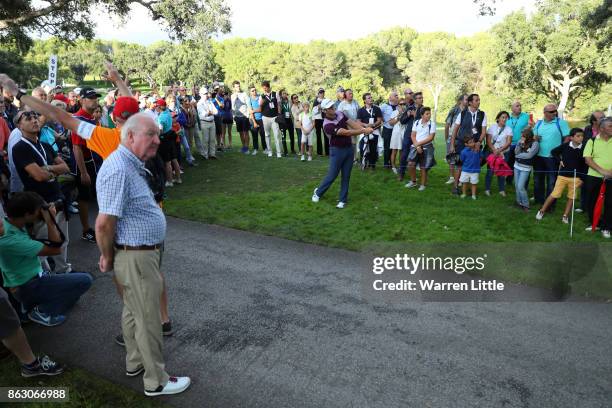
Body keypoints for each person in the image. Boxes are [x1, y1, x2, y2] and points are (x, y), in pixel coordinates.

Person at [95, 113, 190, 396]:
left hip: (139, 253)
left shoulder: (131, 163)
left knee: (134, 310)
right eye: (151, 134)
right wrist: (107, 256)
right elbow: (103, 223)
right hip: (135, 256)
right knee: (148, 318)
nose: (157, 141)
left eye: (157, 135)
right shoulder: (118, 168)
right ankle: (156, 381)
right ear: (130, 136)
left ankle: (135, 362)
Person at [0, 192, 92, 326]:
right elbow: (56, 249)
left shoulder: (10, 223)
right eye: (38, 211)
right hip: (27, 286)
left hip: (31, 278)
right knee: (85, 280)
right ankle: (40, 311)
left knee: (73, 295)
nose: (40, 213)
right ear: (27, 215)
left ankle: (30, 307)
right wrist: (50, 221)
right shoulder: (12, 240)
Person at [11, 110, 76, 274]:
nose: (34, 120)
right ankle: (43, 275)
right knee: (43, 242)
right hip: (40, 204)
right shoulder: (20, 148)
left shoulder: (45, 145)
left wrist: (47, 168)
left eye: (35, 117)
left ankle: (63, 270)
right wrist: (51, 171)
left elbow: (65, 167)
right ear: (18, 126)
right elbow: (38, 176)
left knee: (63, 239)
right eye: (27, 118)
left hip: (58, 198)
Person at [311, 100, 374, 208]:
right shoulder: (327, 125)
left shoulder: (340, 113)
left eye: (333, 106)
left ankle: (342, 200)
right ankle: (318, 193)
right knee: (332, 175)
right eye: (330, 107)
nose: (333, 108)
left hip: (349, 149)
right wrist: (364, 131)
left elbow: (352, 124)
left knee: (346, 175)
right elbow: (346, 132)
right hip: (337, 150)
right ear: (325, 111)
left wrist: (364, 129)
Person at [536, 128, 586, 224]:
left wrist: (582, 179)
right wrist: (560, 161)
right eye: (578, 136)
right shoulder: (565, 146)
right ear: (571, 137)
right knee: (554, 194)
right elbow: (553, 152)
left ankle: (565, 215)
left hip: (576, 177)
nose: (581, 138)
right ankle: (542, 210)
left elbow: (585, 165)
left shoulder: (584, 148)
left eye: (582, 136)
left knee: (571, 197)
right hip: (563, 175)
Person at [72, 87, 102, 243]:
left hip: (96, 162)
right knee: (84, 197)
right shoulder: (78, 119)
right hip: (85, 164)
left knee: (99, 195)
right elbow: (76, 147)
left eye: (96, 98)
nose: (95, 100)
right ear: (81, 100)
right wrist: (83, 172)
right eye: (91, 98)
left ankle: (102, 227)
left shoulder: (92, 118)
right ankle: (86, 230)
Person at [533, 104, 570, 206]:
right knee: (537, 180)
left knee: (551, 182)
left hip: (552, 158)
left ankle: (550, 204)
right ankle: (538, 200)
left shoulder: (561, 123)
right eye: (552, 111)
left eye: (555, 111)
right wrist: (534, 138)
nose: (554, 113)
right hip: (538, 156)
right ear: (545, 113)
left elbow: (567, 138)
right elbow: (533, 136)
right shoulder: (539, 123)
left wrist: (561, 151)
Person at [451, 93, 487, 194]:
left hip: (475, 145)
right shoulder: (462, 113)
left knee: (474, 165)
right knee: (459, 165)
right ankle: (455, 187)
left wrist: (479, 142)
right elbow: (455, 130)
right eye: (476, 100)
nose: (478, 102)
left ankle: (470, 189)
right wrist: (452, 145)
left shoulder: (482, 114)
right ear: (470, 102)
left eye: (479, 100)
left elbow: (484, 131)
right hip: (462, 144)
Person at [582, 116, 612, 238]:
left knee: (610, 203)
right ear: (601, 128)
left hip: (611, 176)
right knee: (592, 201)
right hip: (593, 176)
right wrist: (602, 171)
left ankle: (607, 227)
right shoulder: (592, 141)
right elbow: (588, 159)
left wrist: (609, 172)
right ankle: (595, 223)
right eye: (610, 126)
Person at [406, 107, 436, 191]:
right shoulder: (416, 122)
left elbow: (431, 138)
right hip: (416, 146)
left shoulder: (432, 124)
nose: (429, 115)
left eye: (429, 113)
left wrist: (418, 144)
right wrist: (417, 146)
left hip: (427, 147)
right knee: (410, 164)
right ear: (422, 115)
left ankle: (423, 185)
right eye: (427, 114)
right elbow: (413, 135)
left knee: (424, 167)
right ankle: (413, 181)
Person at [484, 111, 513, 197]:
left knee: (501, 171)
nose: (504, 119)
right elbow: (488, 141)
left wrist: (499, 151)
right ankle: (487, 189)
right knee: (490, 171)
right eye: (503, 117)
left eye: (506, 118)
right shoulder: (492, 128)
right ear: (498, 118)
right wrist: (494, 150)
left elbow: (508, 142)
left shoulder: (509, 129)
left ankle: (501, 190)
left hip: (504, 153)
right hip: (492, 152)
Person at [397, 91, 424, 181]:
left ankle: (421, 176)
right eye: (419, 98)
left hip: (419, 135)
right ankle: (401, 173)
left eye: (421, 97)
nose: (421, 99)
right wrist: (408, 115)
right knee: (404, 154)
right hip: (408, 135)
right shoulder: (410, 108)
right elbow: (402, 121)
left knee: (420, 154)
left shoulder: (424, 109)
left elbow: (424, 121)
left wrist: (415, 115)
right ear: (415, 100)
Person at [155, 99, 181, 187]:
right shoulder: (168, 112)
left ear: (160, 107)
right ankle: (178, 178)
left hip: (165, 139)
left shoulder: (161, 117)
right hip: (171, 137)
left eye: (157, 106)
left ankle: (169, 181)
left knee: (167, 162)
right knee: (174, 159)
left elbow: (161, 130)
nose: (156, 107)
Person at [513, 128, 540, 212]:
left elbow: (530, 155)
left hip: (525, 168)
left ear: (528, 136)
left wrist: (518, 156)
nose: (522, 137)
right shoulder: (520, 141)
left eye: (523, 136)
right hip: (516, 166)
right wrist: (519, 144)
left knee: (521, 187)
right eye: (521, 136)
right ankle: (519, 202)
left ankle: (526, 205)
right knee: (517, 186)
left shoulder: (535, 144)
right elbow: (516, 152)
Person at [444, 94, 467, 184]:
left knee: (461, 158)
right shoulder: (454, 110)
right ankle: (451, 177)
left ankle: (460, 178)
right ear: (460, 101)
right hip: (452, 138)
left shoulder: (468, 111)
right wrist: (447, 139)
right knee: (451, 158)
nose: (467, 101)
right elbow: (447, 125)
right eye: (466, 99)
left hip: (463, 139)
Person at [356, 93, 383, 169]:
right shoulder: (360, 110)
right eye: (368, 98)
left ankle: (372, 165)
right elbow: (358, 121)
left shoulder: (377, 109)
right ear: (364, 100)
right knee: (363, 148)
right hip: (364, 131)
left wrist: (373, 125)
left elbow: (379, 120)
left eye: (371, 97)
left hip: (374, 131)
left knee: (373, 149)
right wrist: (365, 125)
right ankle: (363, 164)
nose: (371, 99)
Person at [257, 80, 282, 158]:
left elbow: (278, 105)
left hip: (274, 117)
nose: (264, 89)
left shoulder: (275, 94)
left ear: (268, 87)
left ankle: (279, 152)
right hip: (265, 117)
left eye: (265, 88)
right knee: (267, 135)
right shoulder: (261, 96)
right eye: (263, 88)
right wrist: (261, 104)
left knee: (276, 135)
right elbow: (260, 108)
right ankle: (269, 151)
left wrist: (279, 114)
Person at [196, 87, 218, 160]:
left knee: (212, 139)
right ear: (201, 94)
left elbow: (216, 111)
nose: (207, 95)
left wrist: (209, 113)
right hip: (204, 122)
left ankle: (212, 154)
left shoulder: (210, 101)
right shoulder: (199, 103)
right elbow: (203, 114)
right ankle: (205, 154)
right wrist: (209, 113)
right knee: (205, 140)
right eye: (205, 93)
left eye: (206, 93)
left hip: (212, 122)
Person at [380, 91, 399, 169]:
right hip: (387, 129)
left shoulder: (399, 106)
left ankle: (392, 163)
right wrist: (383, 121)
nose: (397, 97)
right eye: (395, 95)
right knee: (387, 147)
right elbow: (378, 114)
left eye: (397, 95)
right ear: (390, 98)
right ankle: (386, 163)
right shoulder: (384, 106)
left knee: (393, 147)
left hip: (396, 130)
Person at [231, 81, 250, 154]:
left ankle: (247, 148)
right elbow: (232, 107)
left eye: (239, 86)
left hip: (244, 116)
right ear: (234, 88)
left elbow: (248, 104)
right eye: (236, 86)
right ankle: (243, 147)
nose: (238, 87)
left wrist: (248, 114)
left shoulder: (244, 94)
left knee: (246, 132)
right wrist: (234, 116)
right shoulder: (232, 96)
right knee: (241, 133)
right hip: (237, 117)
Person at [248, 86, 266, 155]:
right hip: (253, 120)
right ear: (250, 92)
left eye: (255, 90)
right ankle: (255, 149)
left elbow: (261, 109)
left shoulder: (260, 98)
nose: (254, 91)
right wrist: (254, 122)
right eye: (252, 91)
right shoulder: (249, 99)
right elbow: (250, 111)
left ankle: (265, 149)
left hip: (261, 119)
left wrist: (254, 111)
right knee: (254, 135)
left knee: (263, 134)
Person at [389, 100, 406, 173]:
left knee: (402, 151)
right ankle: (393, 166)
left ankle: (401, 166)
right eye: (401, 104)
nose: (402, 105)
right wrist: (399, 116)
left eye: (404, 104)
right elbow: (390, 123)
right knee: (394, 150)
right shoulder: (394, 112)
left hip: (404, 132)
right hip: (396, 133)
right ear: (398, 105)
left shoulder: (407, 112)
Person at [279, 89, 296, 155]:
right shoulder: (280, 102)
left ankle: (292, 149)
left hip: (289, 120)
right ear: (281, 95)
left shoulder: (290, 101)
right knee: (284, 136)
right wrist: (280, 106)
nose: (285, 94)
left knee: (292, 136)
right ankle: (285, 151)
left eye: (286, 93)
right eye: (283, 93)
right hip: (283, 121)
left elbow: (292, 110)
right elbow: (279, 112)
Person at [312, 88, 327, 156]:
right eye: (320, 93)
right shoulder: (315, 101)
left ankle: (327, 152)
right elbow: (314, 112)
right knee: (318, 136)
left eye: (323, 92)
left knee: (326, 135)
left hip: (324, 119)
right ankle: (319, 152)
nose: (322, 94)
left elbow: (327, 109)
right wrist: (318, 107)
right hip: (317, 119)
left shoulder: (326, 100)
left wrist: (323, 108)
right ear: (318, 94)